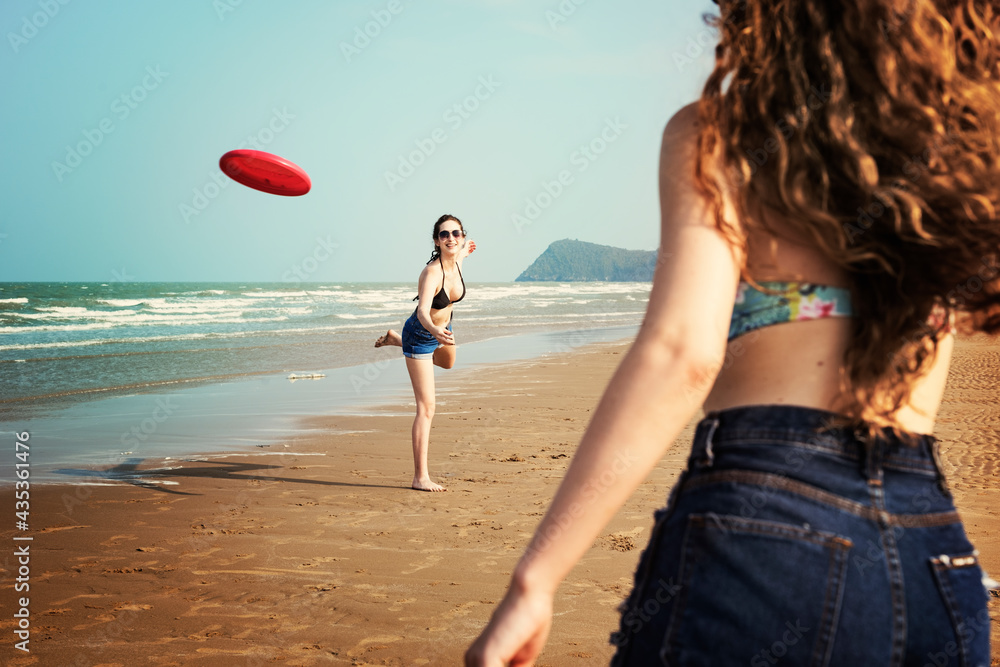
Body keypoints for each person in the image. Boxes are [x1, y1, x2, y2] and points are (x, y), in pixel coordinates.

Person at [467, 0, 1000, 664]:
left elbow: (683, 352)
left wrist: (535, 579)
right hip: (936, 552)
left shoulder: (721, 133)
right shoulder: (956, 153)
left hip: (767, 524)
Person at [375, 214, 475, 492]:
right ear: (436, 240)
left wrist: (465, 251)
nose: (451, 238)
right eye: (444, 235)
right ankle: (420, 477)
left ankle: (395, 341)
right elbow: (422, 311)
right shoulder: (432, 272)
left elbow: (461, 254)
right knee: (427, 408)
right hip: (422, 333)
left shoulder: (457, 259)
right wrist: (433, 330)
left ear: (462, 236)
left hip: (445, 329)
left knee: (448, 364)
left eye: (456, 233)